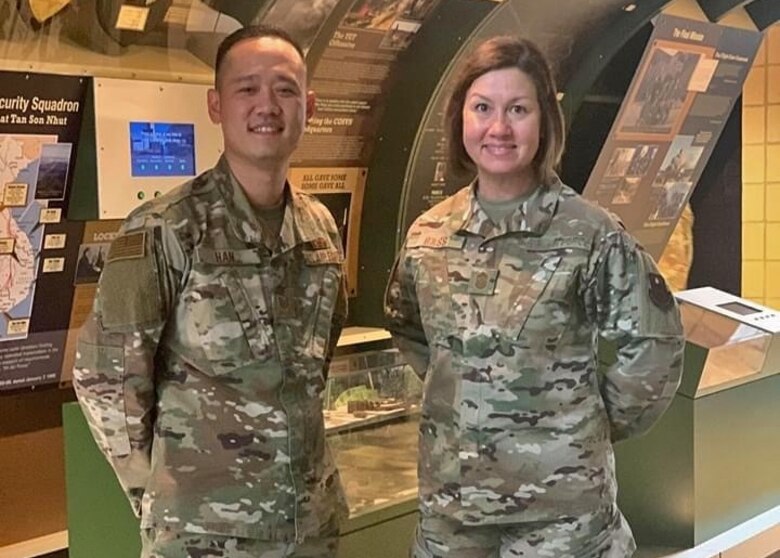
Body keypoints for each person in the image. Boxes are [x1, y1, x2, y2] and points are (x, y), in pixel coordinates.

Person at [384, 36, 684, 557]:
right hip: (453, 509)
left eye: (518, 110)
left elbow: (654, 344)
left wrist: (586, 426)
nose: (499, 128)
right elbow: (409, 327)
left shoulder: (589, 235)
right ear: (460, 119)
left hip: (561, 515)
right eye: (483, 108)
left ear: (544, 121)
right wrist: (467, 395)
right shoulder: (428, 236)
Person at [73, 25, 348, 558]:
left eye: (285, 89)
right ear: (216, 105)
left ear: (309, 106)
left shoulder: (319, 230)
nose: (267, 105)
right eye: (247, 88)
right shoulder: (165, 229)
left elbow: (317, 360)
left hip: (309, 524)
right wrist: (160, 497)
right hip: (204, 535)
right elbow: (107, 379)